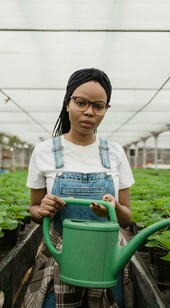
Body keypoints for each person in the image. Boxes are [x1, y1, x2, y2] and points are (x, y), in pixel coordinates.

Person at [23, 68, 135, 308]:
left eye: (98, 106)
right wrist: (43, 209)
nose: (88, 112)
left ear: (105, 110)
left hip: (107, 259)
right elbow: (33, 209)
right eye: (81, 102)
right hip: (61, 257)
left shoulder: (115, 153)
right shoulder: (44, 151)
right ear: (67, 103)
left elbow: (126, 219)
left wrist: (113, 207)